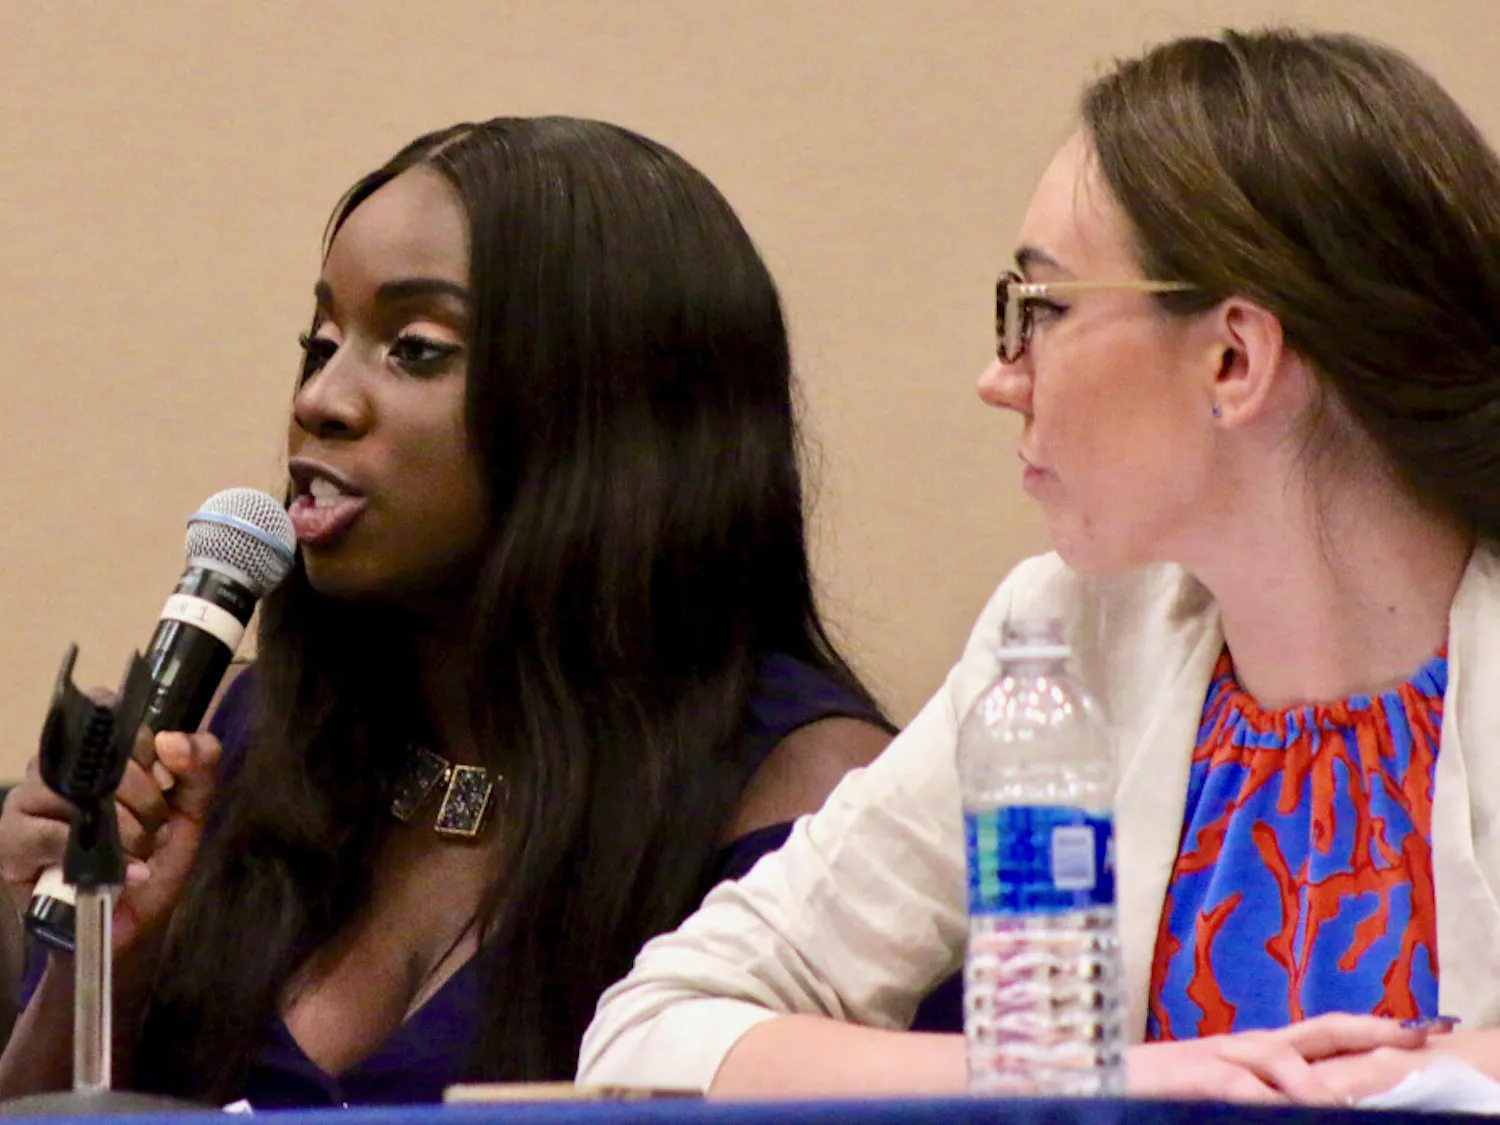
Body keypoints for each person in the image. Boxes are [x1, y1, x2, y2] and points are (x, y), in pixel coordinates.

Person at [578, 28, 1500, 1106]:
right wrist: (1114, 1075)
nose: (999, 376)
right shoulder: (1066, 637)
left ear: (1234, 359)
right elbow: (654, 1028)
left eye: (1043, 310)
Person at [0, 117, 894, 1108]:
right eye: (322, 341)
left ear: (610, 408)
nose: (323, 401)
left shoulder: (815, 812)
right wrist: (108, 963)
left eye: (416, 350)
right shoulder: (234, 746)